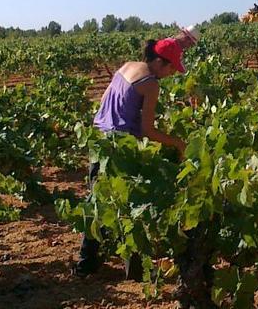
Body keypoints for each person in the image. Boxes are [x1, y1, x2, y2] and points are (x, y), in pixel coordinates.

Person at [75, 37, 188, 278]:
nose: (170, 74)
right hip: (121, 147)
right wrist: (178, 143)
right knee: (132, 205)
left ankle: (86, 264)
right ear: (159, 62)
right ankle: (133, 271)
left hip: (99, 140)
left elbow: (106, 101)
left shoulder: (126, 66)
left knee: (98, 201)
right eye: (170, 68)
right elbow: (148, 130)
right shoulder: (151, 84)